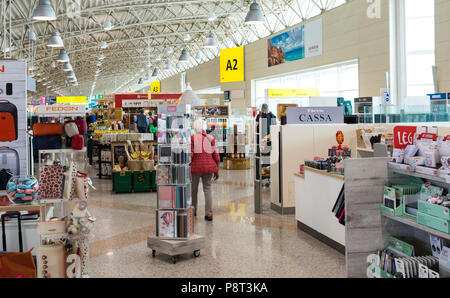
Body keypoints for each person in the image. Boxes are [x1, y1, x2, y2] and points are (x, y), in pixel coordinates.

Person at [190, 119, 220, 221]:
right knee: (207, 189)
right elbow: (216, 155)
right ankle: (209, 213)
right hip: (209, 168)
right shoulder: (210, 138)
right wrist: (217, 169)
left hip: (195, 168)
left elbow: (190, 155)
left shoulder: (192, 138)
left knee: (193, 189)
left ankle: (193, 211)